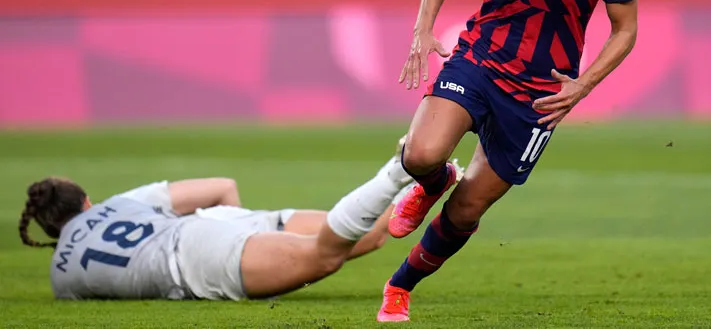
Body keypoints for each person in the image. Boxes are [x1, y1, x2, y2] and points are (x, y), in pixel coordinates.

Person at [377, 0, 639, 322]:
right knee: (421, 154)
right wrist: (422, 30)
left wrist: (583, 86)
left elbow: (625, 29)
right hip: (480, 59)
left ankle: (399, 286)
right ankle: (432, 181)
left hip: (539, 94)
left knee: (468, 210)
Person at [19, 138, 463, 301]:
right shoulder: (121, 203)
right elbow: (216, 188)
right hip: (215, 223)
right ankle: (425, 182)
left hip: (192, 259)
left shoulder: (64, 280)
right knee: (370, 238)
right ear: (87, 203)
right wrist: (243, 223)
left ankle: (401, 167)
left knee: (324, 256)